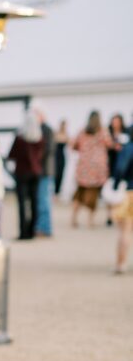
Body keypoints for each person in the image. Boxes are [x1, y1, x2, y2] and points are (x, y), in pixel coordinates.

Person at [71, 111, 114, 227]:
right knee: (93, 196)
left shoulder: (82, 131)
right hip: (97, 169)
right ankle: (90, 221)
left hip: (83, 167)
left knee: (79, 195)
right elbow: (110, 144)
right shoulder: (103, 131)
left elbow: (73, 145)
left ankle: (73, 219)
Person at [9, 112, 44, 240]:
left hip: (22, 173)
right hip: (36, 172)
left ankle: (23, 232)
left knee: (22, 203)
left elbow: (11, 154)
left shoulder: (20, 139)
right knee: (35, 202)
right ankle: (32, 230)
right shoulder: (40, 139)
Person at [113, 139, 133, 274]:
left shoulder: (129, 148)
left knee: (125, 230)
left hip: (131, 191)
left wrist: (116, 184)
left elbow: (120, 168)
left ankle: (121, 264)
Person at [35, 115, 55, 238]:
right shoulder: (43, 129)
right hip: (41, 171)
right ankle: (41, 227)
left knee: (44, 201)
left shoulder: (47, 130)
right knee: (41, 200)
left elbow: (48, 149)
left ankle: (45, 228)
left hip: (45, 171)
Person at [106, 114, 127, 226]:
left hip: (122, 164)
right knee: (109, 190)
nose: (115, 123)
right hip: (111, 163)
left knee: (120, 190)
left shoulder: (126, 133)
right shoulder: (108, 133)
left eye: (117, 121)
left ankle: (117, 214)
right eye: (114, 121)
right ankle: (109, 215)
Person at [54, 120, 69, 195]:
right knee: (55, 174)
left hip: (62, 157)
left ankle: (57, 191)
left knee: (60, 174)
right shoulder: (56, 134)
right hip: (55, 156)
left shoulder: (66, 135)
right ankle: (54, 191)